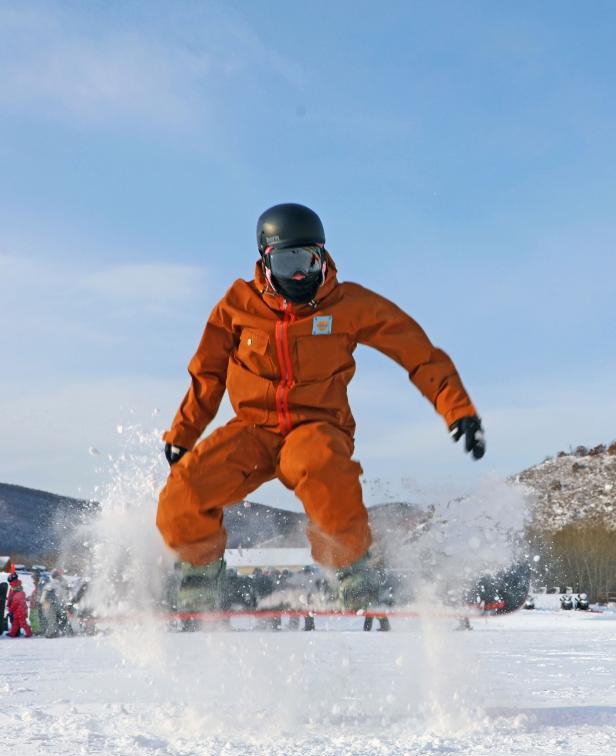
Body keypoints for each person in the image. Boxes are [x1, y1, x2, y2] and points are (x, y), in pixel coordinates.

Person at [156, 203, 486, 614]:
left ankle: (353, 572)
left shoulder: (348, 304)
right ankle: (200, 578)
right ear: (265, 260)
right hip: (253, 430)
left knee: (322, 468)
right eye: (287, 261)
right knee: (184, 490)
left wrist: (459, 411)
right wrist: (183, 434)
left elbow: (417, 353)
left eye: (309, 260)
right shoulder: (237, 305)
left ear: (323, 256)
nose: (300, 275)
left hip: (316, 425)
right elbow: (207, 375)